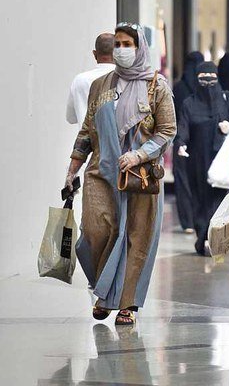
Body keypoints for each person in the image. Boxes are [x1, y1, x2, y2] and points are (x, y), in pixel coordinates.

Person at [65, 23, 176, 326]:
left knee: (137, 237)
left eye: (128, 43)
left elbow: (168, 131)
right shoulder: (101, 86)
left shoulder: (157, 86)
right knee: (94, 228)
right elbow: (87, 130)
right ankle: (105, 289)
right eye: (117, 44)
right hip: (101, 171)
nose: (121, 49)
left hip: (140, 175)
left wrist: (140, 153)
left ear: (140, 47)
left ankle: (124, 303)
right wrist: (72, 169)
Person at [175, 61, 229, 255]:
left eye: (212, 79)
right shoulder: (190, 103)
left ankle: (213, 239)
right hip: (197, 161)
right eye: (203, 79)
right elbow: (184, 127)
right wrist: (181, 144)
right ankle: (202, 238)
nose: (208, 83)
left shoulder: (226, 100)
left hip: (221, 161)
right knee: (199, 200)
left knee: (218, 201)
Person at [172, 51, 204, 235]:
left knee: (183, 181)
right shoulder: (204, 86)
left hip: (180, 139)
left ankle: (188, 221)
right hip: (199, 140)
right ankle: (199, 217)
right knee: (197, 180)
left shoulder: (178, 87)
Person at [66, 33, 116, 127]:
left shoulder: (80, 80)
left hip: (86, 140)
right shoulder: (124, 79)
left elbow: (71, 118)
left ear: (94, 54)